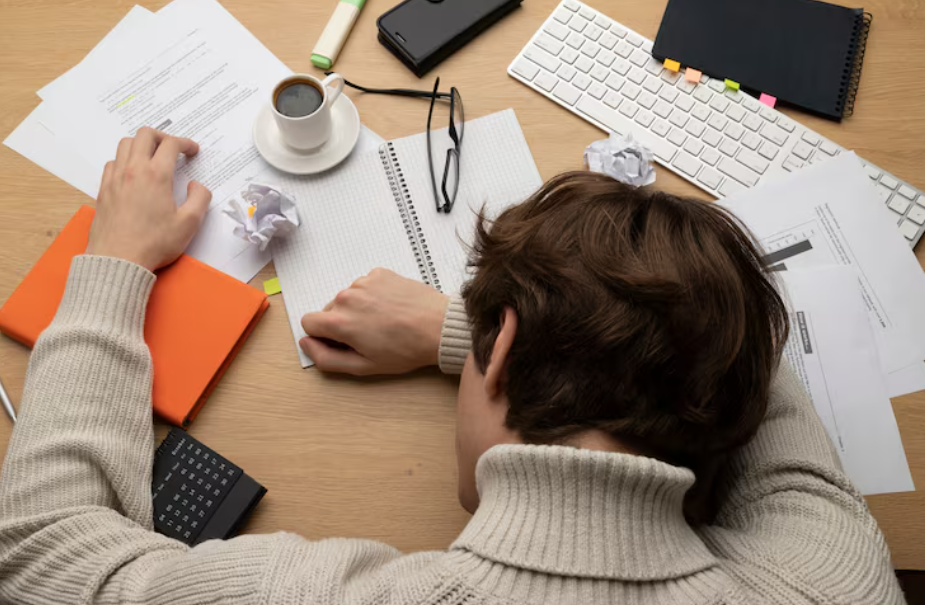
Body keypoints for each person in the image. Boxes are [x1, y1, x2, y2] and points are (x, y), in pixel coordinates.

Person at [0, 129, 905, 605]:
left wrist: (114, 263)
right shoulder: (829, 585)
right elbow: (748, 346)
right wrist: (480, 328)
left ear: (497, 348)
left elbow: (38, 553)